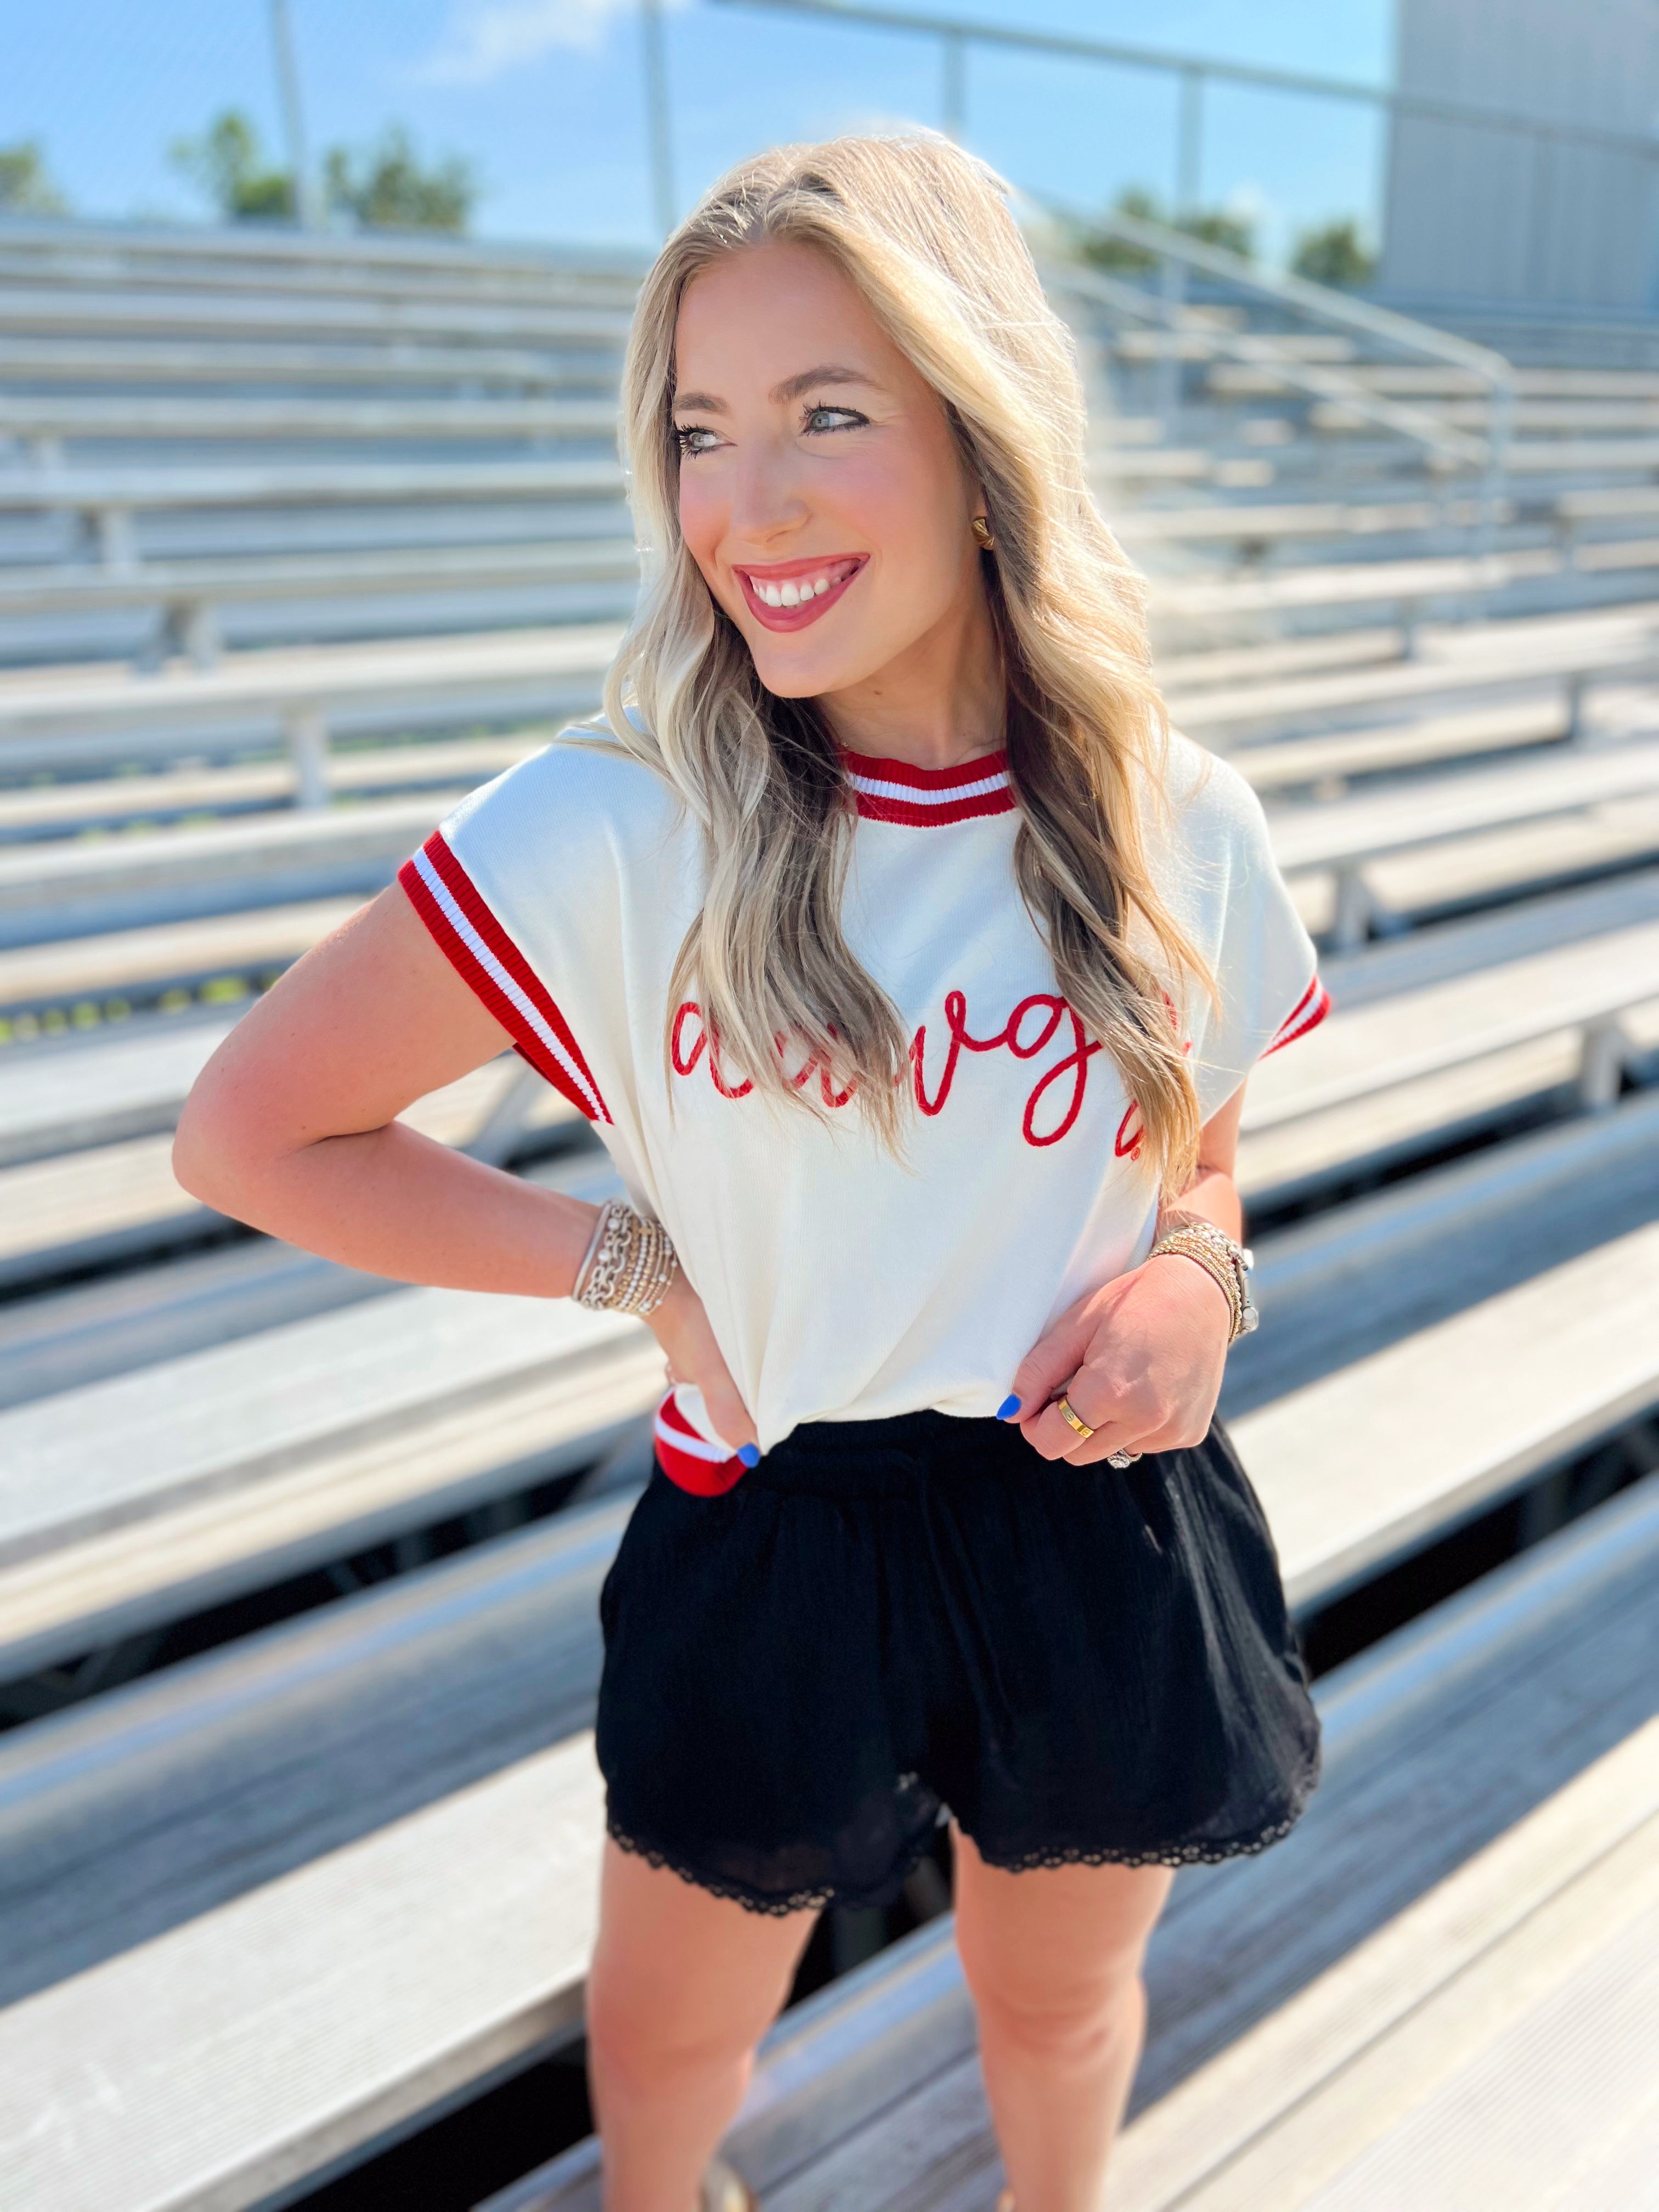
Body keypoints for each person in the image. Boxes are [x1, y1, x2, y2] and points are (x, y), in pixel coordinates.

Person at [173, 132, 1330, 2212]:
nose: (746, 505)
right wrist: (631, 1260)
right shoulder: (618, 821)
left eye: (827, 416)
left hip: (1088, 1525)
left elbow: (1205, 1158)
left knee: (1060, 2006)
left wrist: (1195, 1287)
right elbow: (254, 1132)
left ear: (981, 438)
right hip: (769, 1529)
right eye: (703, 433)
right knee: (678, 2031)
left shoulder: (1182, 818)